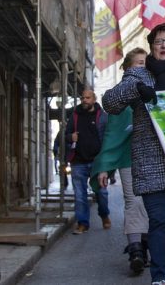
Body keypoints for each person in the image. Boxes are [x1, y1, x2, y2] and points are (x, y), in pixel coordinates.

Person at [103, 23, 165, 285]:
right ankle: (159, 278)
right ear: (151, 46)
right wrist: (135, 90)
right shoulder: (138, 75)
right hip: (153, 162)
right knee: (160, 221)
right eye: (159, 41)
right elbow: (110, 103)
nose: (164, 45)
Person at [92, 48, 150, 274]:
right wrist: (105, 167)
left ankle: (144, 246)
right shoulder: (118, 97)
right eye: (138, 63)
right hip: (128, 159)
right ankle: (135, 249)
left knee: (150, 205)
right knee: (133, 202)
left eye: (145, 63)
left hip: (153, 159)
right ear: (127, 68)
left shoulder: (154, 88)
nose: (142, 67)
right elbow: (112, 134)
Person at [66, 88, 110, 234]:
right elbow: (65, 135)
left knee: (102, 193)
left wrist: (106, 162)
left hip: (97, 162)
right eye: (83, 98)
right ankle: (82, 223)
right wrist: (70, 137)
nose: (85, 100)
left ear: (94, 99)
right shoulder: (74, 116)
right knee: (79, 195)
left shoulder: (102, 116)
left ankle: (104, 214)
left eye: (88, 98)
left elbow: (107, 138)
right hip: (78, 162)